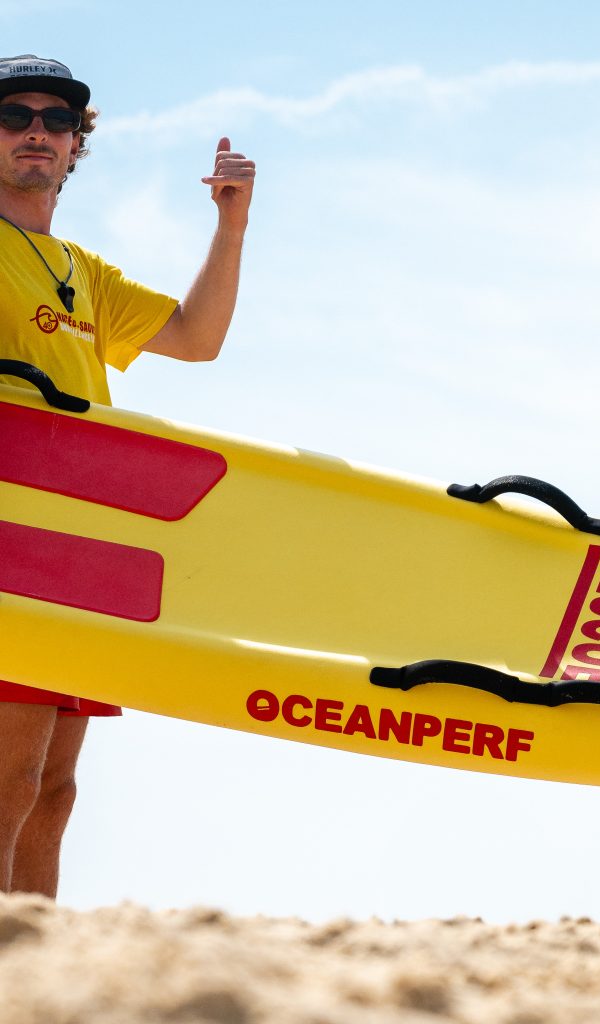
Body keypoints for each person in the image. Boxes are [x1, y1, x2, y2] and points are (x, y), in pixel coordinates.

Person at [0, 54, 255, 899]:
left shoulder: (82, 271)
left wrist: (231, 226)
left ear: (77, 145)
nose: (36, 130)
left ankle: (36, 966)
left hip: (84, 546)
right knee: (7, 780)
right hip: (13, 538)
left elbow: (195, 337)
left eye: (56, 119)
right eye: (13, 116)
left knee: (54, 791)